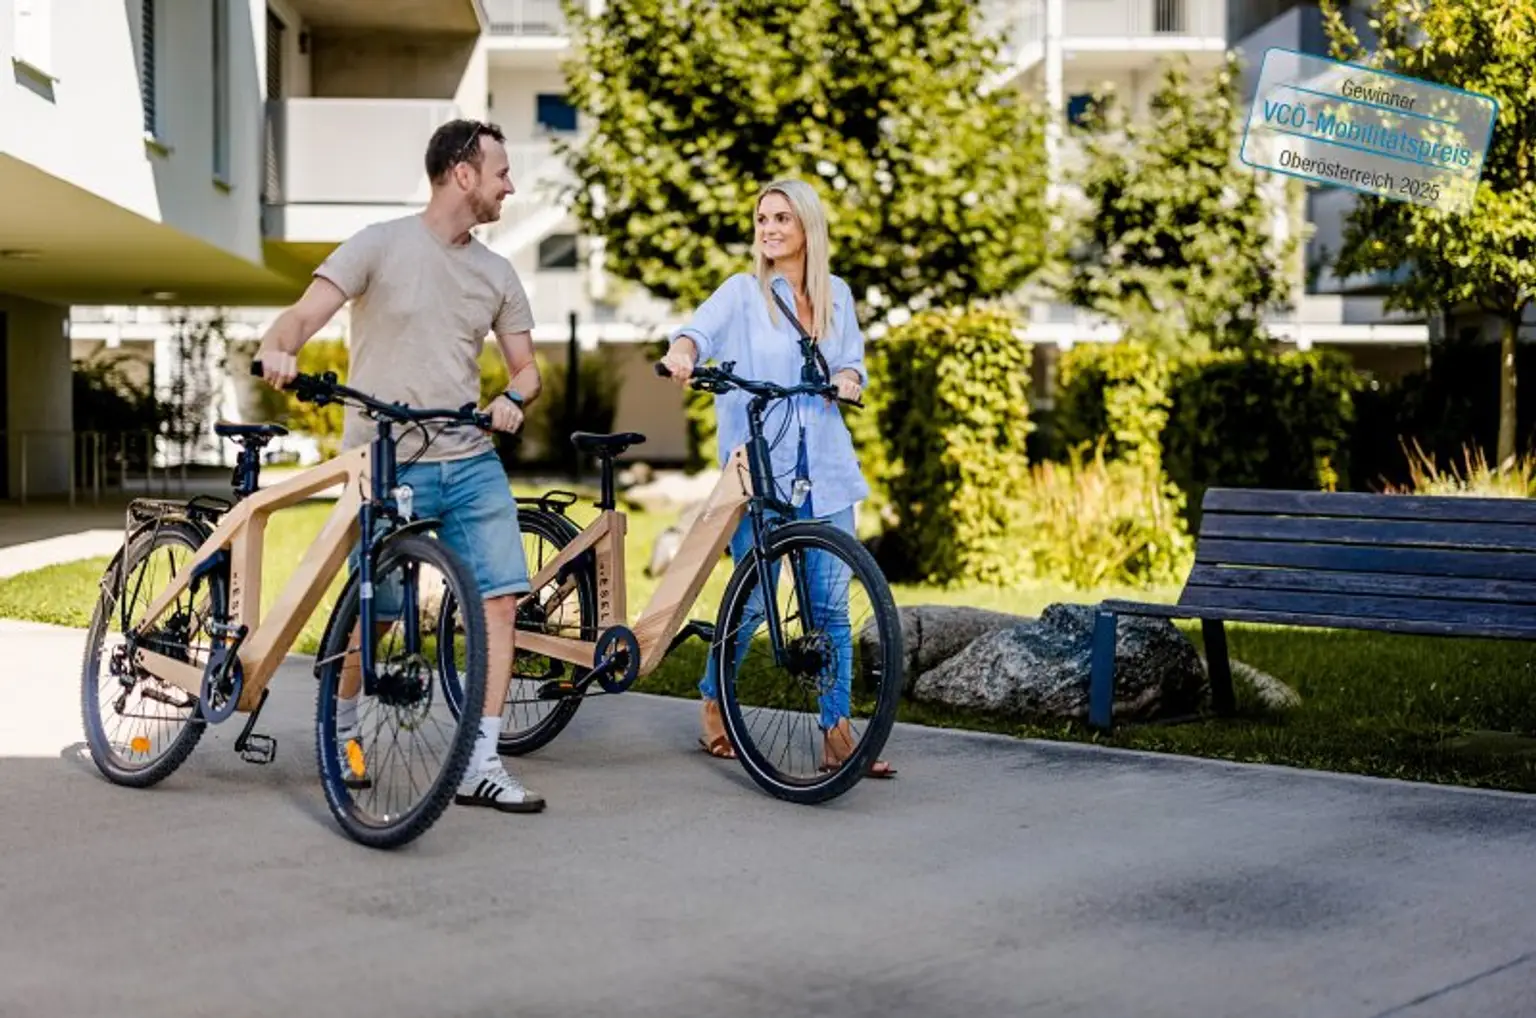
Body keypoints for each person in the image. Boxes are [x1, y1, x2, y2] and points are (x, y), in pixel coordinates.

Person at [255, 119, 548, 814]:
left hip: (469, 456)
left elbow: (528, 368)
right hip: (386, 460)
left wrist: (513, 397)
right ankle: (347, 731)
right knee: (376, 616)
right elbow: (300, 317)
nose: (511, 185)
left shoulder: (496, 273)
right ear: (463, 173)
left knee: (501, 602)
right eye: (501, 172)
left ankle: (480, 760)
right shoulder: (380, 245)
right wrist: (280, 349)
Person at [658, 178, 896, 779]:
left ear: (806, 228)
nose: (768, 229)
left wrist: (849, 381)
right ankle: (714, 697)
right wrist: (684, 354)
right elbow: (696, 330)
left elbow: (851, 364)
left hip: (828, 472)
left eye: (781, 219)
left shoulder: (836, 294)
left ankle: (836, 733)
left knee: (831, 609)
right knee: (758, 597)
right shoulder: (742, 293)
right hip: (762, 469)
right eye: (762, 218)